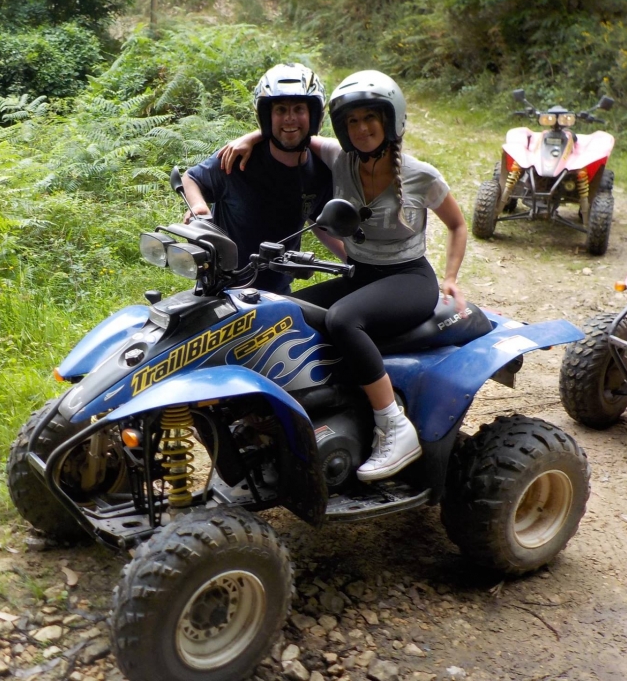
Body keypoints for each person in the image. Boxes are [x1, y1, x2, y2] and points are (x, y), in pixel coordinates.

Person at [219, 70, 468, 481]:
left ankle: (394, 424)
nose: (362, 128)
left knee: (342, 318)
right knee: (280, 309)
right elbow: (291, 132)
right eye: (352, 121)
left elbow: (458, 225)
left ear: (391, 121)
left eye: (370, 118)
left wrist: (451, 276)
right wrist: (252, 137)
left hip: (409, 278)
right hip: (362, 273)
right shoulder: (340, 158)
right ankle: (296, 411)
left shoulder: (421, 174)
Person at [181, 63, 343, 294]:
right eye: (280, 110)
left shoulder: (319, 169)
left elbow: (319, 221)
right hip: (222, 289)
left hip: (276, 293)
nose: (290, 118)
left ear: (314, 115)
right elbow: (192, 177)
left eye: (299, 109)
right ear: (267, 116)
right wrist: (199, 207)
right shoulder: (238, 160)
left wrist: (355, 261)